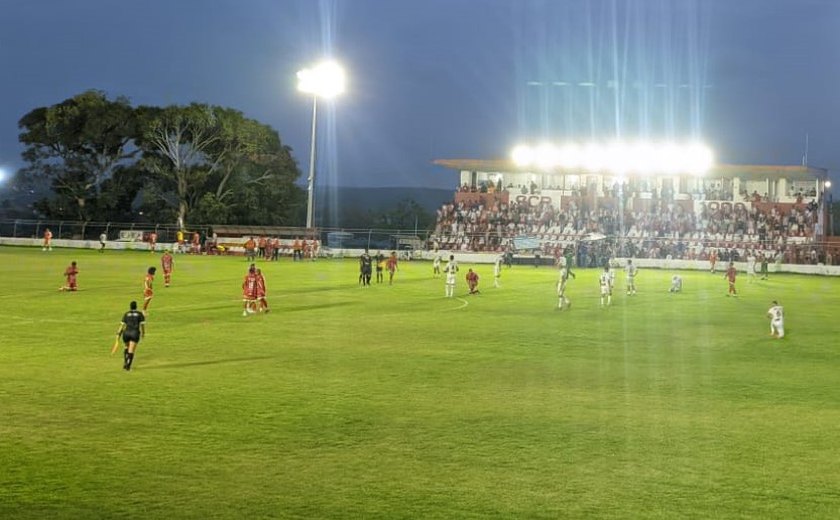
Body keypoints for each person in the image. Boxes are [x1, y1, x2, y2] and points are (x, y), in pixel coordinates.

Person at [116, 301, 145, 371]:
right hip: (134, 333)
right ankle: (128, 366)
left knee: (126, 347)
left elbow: (122, 325)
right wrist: (143, 333)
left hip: (126, 333)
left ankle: (125, 363)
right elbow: (142, 325)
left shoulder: (126, 314)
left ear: (130, 306)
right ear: (136, 306)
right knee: (131, 350)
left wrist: (118, 333)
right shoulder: (140, 314)